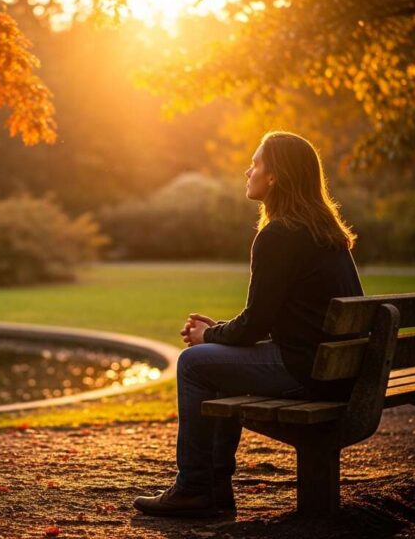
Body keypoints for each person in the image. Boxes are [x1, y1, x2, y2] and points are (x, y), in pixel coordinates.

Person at [133, 131, 363, 518]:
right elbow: (274, 320)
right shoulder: (326, 233)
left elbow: (255, 326)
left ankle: (195, 487)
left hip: (310, 372)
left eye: (256, 163)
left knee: (193, 364)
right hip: (339, 369)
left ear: (274, 176)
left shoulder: (278, 234)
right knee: (212, 362)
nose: (248, 170)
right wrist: (218, 334)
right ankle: (212, 492)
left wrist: (209, 336)